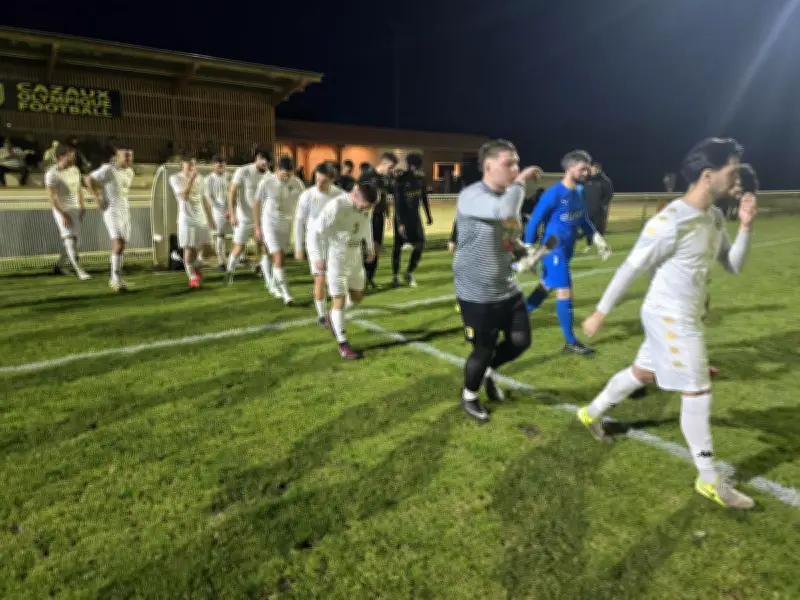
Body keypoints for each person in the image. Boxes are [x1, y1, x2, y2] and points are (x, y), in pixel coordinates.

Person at [578, 137, 756, 510]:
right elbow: (632, 267)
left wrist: (746, 226)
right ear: (708, 175)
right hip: (668, 317)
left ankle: (590, 412)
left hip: (687, 316)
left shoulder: (714, 216)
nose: (736, 179)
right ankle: (708, 479)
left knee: (643, 372)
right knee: (698, 391)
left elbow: (733, 265)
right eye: (732, 171)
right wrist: (600, 312)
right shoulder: (670, 221)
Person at [453, 139, 542, 422]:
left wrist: (522, 252)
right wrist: (522, 182)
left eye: (517, 163)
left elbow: (508, 238)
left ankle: (489, 372)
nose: (515, 169)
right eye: (509, 164)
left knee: (520, 341)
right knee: (483, 348)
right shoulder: (471, 195)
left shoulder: (507, 199)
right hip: (476, 292)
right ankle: (470, 396)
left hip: (506, 286)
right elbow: (504, 213)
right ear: (488, 166)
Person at [523, 150, 612, 355]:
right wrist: (528, 249)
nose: (586, 173)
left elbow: (582, 220)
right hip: (554, 249)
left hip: (568, 248)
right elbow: (534, 221)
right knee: (564, 291)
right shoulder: (553, 194)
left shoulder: (579, 192)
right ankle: (570, 341)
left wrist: (597, 238)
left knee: (546, 286)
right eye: (582, 169)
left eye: (587, 169)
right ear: (569, 169)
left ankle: (517, 316)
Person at [307, 182, 379, 359]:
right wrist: (318, 256)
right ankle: (343, 344)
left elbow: (366, 224)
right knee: (339, 299)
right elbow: (317, 231)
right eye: (366, 205)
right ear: (356, 196)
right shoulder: (337, 206)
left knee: (357, 297)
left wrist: (369, 246)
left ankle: (332, 316)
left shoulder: (364, 208)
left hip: (355, 256)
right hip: (336, 257)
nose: (367, 209)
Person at [294, 163, 344, 325]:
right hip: (315, 241)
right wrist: (298, 247)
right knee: (320, 277)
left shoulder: (340, 195)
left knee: (334, 278)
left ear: (332, 180)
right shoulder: (307, 196)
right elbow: (299, 221)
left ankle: (327, 304)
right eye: (316, 179)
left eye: (323, 181)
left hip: (334, 241)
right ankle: (322, 315)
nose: (318, 184)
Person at [254, 156, 305, 304]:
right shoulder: (267, 182)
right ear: (277, 169)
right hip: (269, 223)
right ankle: (286, 295)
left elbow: (304, 203)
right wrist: (257, 227)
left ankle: (270, 283)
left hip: (287, 225)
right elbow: (257, 204)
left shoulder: (297, 183)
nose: (287, 177)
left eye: (290, 174)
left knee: (277, 257)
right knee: (278, 258)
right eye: (284, 174)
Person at [85, 141, 135, 291]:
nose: (128, 159)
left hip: (124, 210)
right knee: (118, 243)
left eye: (130, 156)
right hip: (111, 210)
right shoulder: (108, 169)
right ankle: (115, 279)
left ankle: (116, 277)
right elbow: (88, 179)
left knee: (121, 245)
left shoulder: (130, 172)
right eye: (125, 156)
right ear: (117, 156)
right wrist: (97, 197)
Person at [225, 149, 271, 284]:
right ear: (257, 158)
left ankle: (267, 276)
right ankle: (229, 273)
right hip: (243, 218)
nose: (266, 164)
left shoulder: (268, 175)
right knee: (238, 247)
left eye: (268, 162)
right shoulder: (243, 171)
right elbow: (232, 192)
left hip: (261, 219)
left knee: (264, 247)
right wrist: (232, 214)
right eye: (264, 161)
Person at [169, 153, 216, 288]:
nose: (192, 167)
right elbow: (183, 196)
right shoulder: (175, 178)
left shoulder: (201, 179)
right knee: (189, 249)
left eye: (194, 164)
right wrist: (190, 180)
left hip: (200, 217)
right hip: (186, 218)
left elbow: (205, 199)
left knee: (208, 248)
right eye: (189, 164)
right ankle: (192, 277)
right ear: (182, 165)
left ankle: (193, 264)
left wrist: (211, 218)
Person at [46, 145, 91, 280]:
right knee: (69, 238)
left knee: (73, 239)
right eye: (70, 155)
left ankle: (59, 267)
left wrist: (82, 206)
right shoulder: (52, 173)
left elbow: (79, 189)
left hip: (75, 208)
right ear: (61, 157)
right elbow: (52, 196)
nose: (73, 158)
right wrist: (62, 214)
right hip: (61, 209)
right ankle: (79, 271)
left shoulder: (75, 170)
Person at [392, 153, 433, 288]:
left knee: (420, 244)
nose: (416, 169)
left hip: (415, 217)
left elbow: (424, 198)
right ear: (410, 165)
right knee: (398, 246)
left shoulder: (420, 180)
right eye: (415, 166)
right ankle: (395, 276)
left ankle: (409, 272)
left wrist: (428, 215)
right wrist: (400, 223)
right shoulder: (401, 180)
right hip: (402, 217)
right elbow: (397, 203)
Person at [359, 153, 397, 288]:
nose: (391, 170)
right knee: (363, 248)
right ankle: (359, 278)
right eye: (391, 167)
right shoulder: (366, 176)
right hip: (364, 217)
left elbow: (385, 199)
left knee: (376, 248)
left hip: (378, 217)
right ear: (383, 163)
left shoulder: (385, 180)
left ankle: (369, 278)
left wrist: (387, 216)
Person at [204, 155, 230, 271]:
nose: (220, 167)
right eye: (218, 164)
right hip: (218, 211)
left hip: (230, 210)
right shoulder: (209, 179)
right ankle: (221, 262)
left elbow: (233, 194)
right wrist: (220, 209)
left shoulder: (229, 176)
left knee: (238, 234)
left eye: (222, 164)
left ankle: (240, 257)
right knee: (220, 236)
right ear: (213, 165)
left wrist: (230, 209)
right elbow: (209, 197)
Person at [582, 161, 614, 253]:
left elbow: (609, 194)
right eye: (591, 169)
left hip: (599, 210)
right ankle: (588, 245)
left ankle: (601, 247)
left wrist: (602, 204)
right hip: (587, 209)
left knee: (599, 228)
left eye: (594, 169)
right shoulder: (586, 180)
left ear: (598, 169)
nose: (592, 171)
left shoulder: (605, 181)